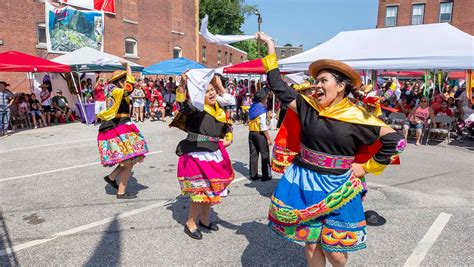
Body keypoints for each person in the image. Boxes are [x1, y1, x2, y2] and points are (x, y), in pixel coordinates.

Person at [256, 32, 405, 267]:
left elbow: (396, 142)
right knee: (311, 243)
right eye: (317, 81)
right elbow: (277, 85)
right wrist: (270, 47)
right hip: (304, 181)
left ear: (341, 85)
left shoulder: (358, 116)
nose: (318, 85)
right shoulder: (307, 107)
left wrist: (366, 167)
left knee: (334, 251)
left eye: (323, 80)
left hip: (339, 187)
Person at [170, 72, 234, 240]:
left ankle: (204, 220)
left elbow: (230, 101)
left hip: (213, 152)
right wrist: (182, 85)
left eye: (213, 90)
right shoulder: (196, 109)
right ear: (200, 95)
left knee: (211, 191)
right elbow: (182, 104)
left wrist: (219, 86)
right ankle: (191, 223)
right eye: (207, 91)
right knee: (200, 193)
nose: (212, 93)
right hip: (196, 155)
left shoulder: (218, 108)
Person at [97, 60, 149, 199]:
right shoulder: (116, 90)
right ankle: (121, 192)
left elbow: (128, 89)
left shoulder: (112, 90)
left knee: (129, 159)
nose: (126, 81)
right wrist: (128, 67)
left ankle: (112, 177)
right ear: (120, 81)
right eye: (124, 79)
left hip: (119, 125)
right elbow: (129, 87)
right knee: (130, 159)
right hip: (118, 125)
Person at [248, 87, 273, 181]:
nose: (267, 100)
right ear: (262, 99)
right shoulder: (262, 110)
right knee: (265, 153)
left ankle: (253, 174)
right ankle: (265, 175)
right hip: (260, 134)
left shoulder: (252, 107)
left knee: (253, 154)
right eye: (266, 98)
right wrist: (269, 138)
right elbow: (263, 126)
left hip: (251, 133)